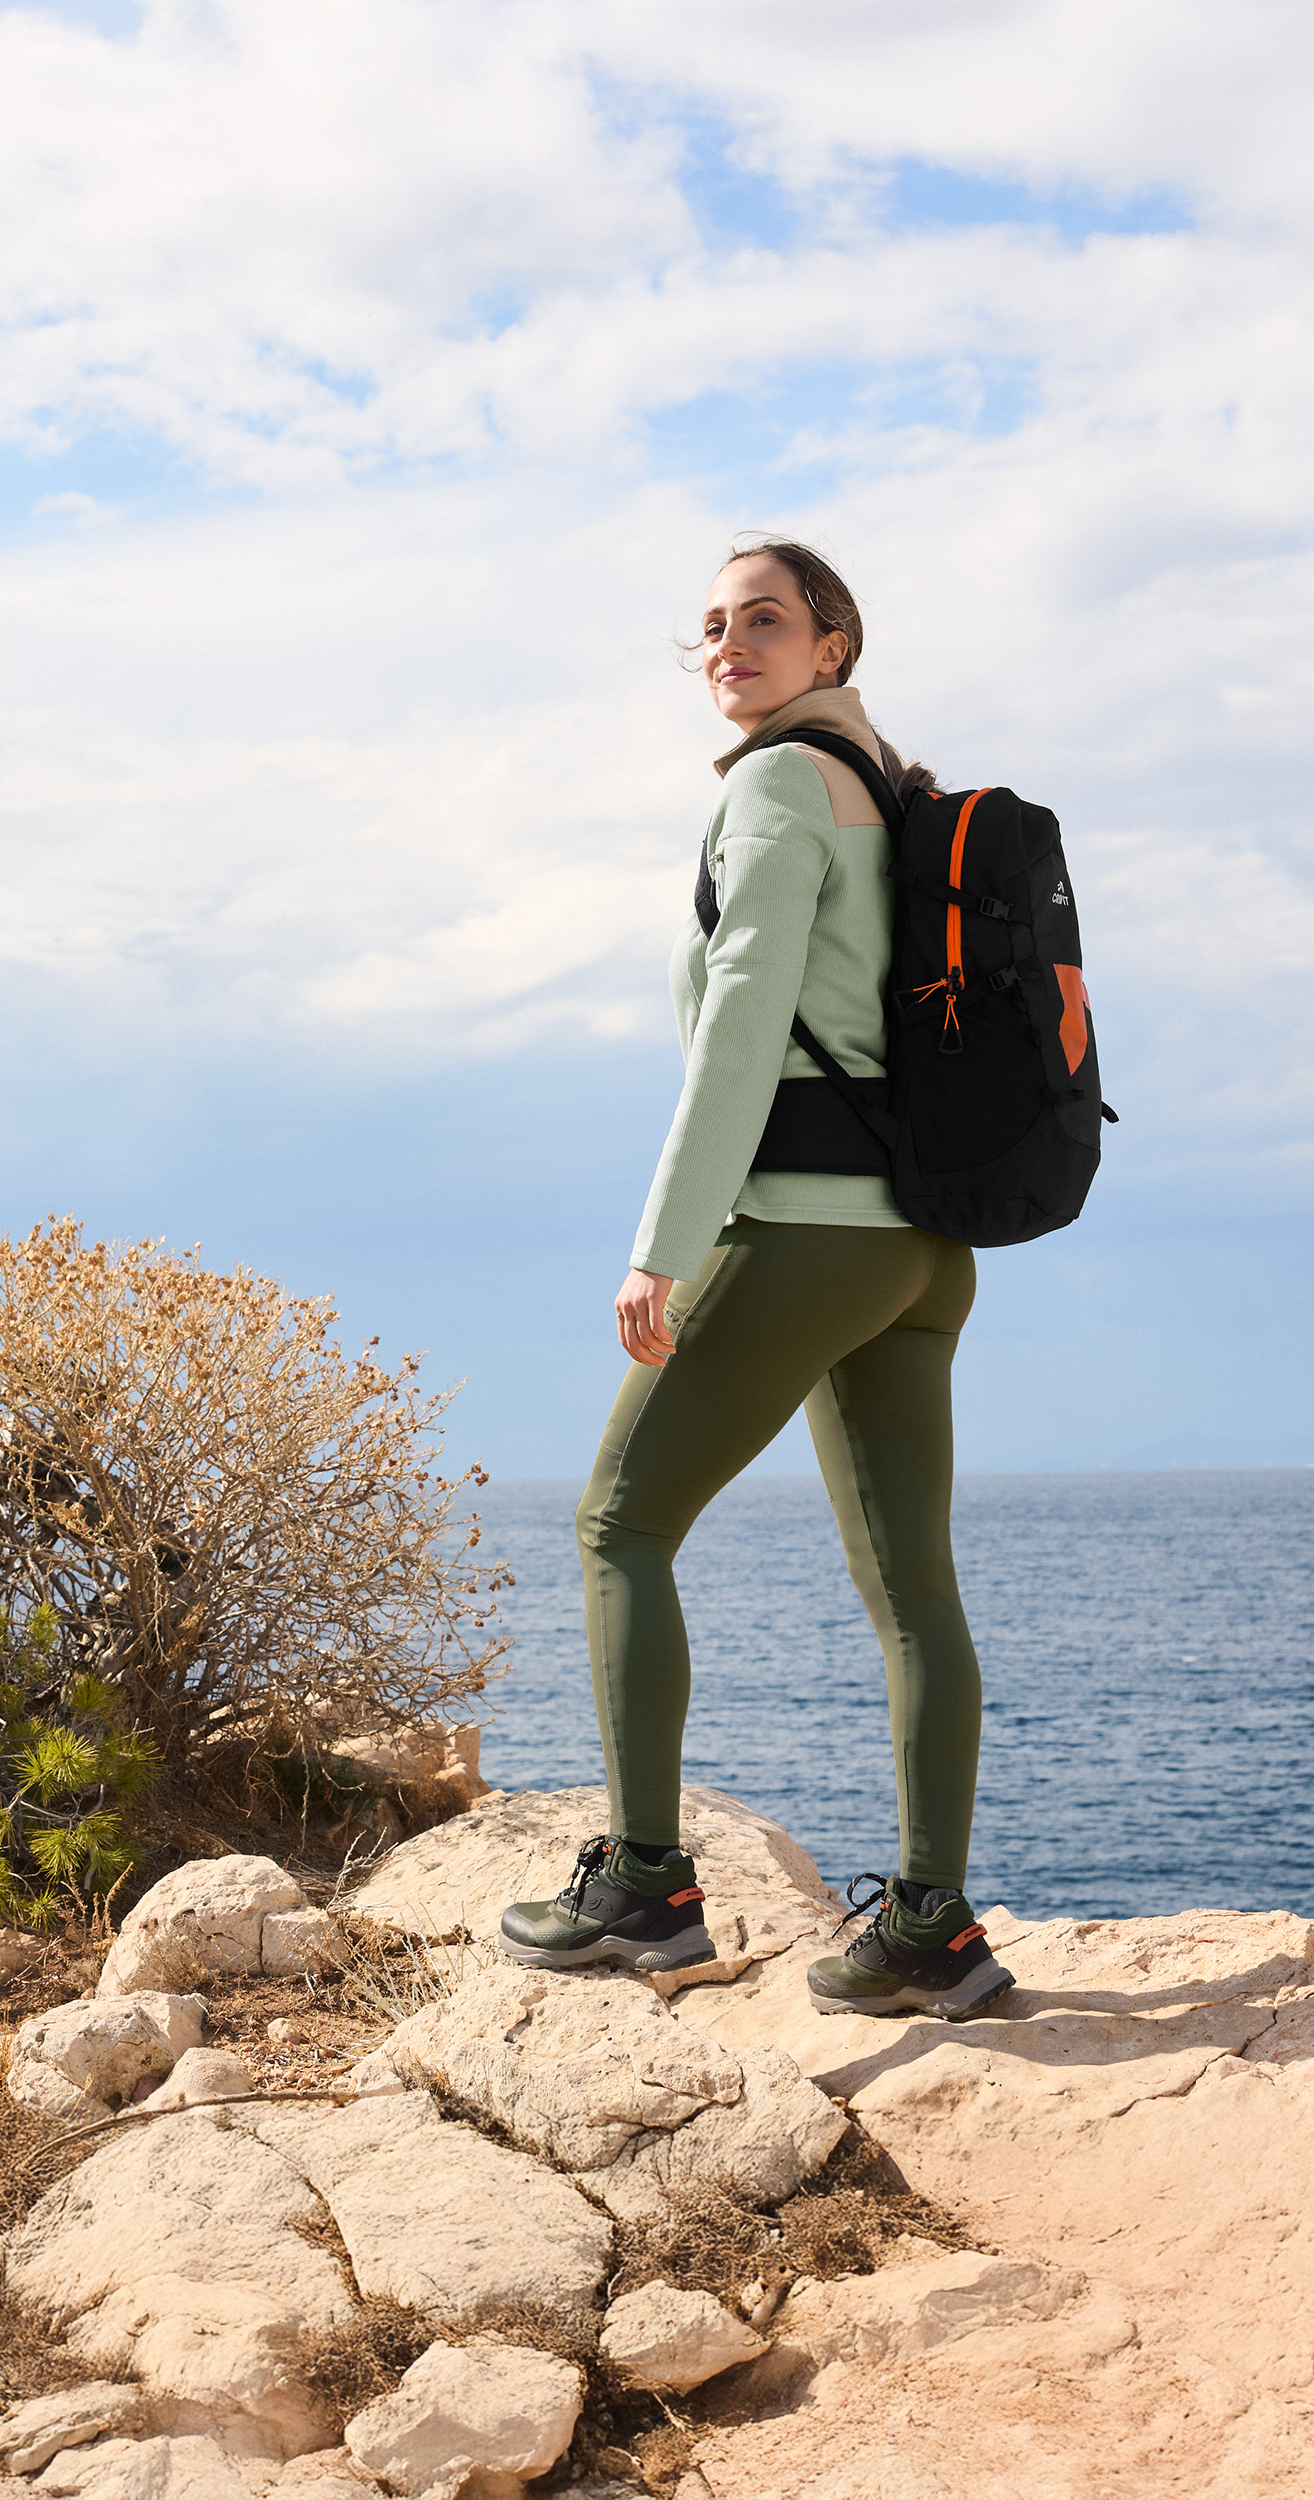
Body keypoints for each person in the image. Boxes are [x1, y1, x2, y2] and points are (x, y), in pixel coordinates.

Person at [499, 538, 1014, 2021]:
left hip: (803, 1231)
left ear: (835, 645)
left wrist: (666, 1241)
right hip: (924, 1250)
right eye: (714, 626)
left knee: (618, 1526)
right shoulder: (894, 795)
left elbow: (743, 1024)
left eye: (767, 621)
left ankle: (648, 1889)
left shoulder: (780, 787)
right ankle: (934, 1928)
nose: (731, 644)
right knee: (915, 1587)